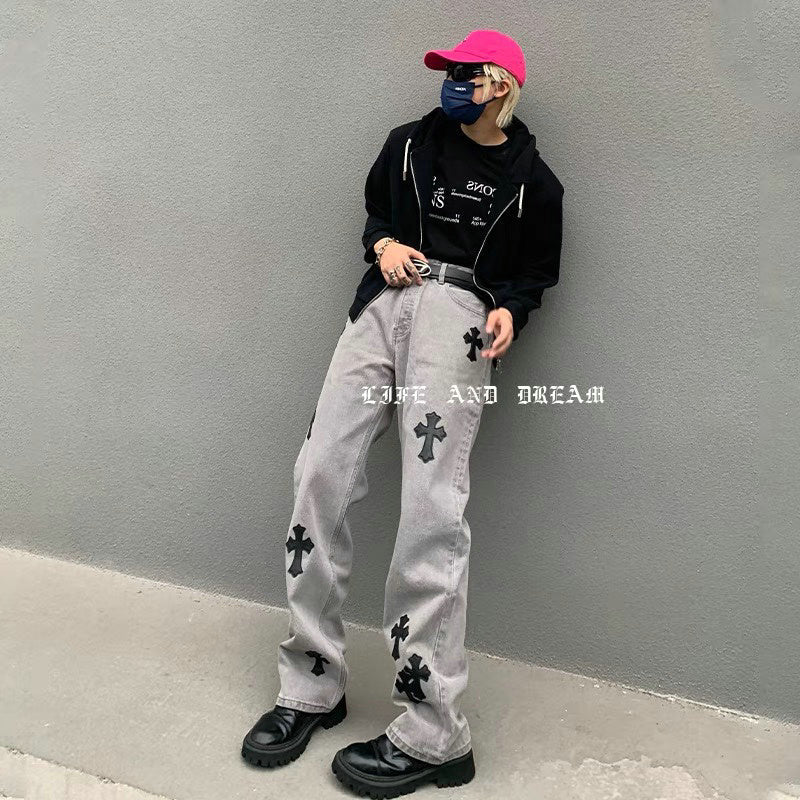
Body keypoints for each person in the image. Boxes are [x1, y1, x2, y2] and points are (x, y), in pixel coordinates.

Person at [241, 29, 564, 798]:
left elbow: (533, 273)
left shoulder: (535, 182)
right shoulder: (409, 145)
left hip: (460, 319)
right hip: (384, 307)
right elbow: (376, 214)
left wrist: (510, 312)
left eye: (466, 73)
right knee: (318, 475)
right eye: (448, 72)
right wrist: (383, 244)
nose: (452, 83)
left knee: (430, 511)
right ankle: (311, 682)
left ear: (501, 84)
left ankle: (433, 730)